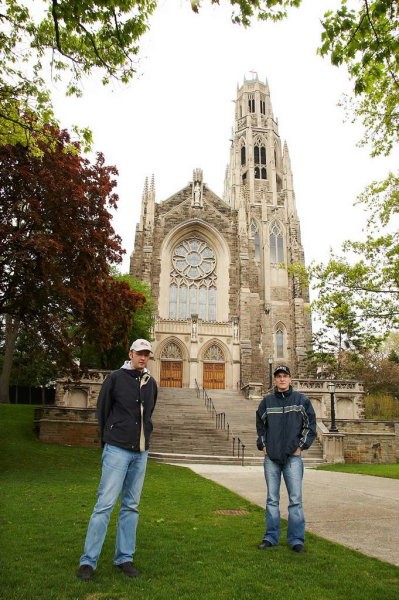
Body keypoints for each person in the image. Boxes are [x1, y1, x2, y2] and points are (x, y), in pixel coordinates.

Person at [77, 339, 158, 581]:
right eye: (139, 353)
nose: (143, 358)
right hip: (117, 449)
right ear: (131, 353)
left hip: (141, 451)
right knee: (104, 505)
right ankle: (88, 562)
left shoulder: (151, 383)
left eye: (146, 354)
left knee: (131, 507)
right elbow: (102, 410)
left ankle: (124, 558)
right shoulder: (115, 378)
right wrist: (110, 438)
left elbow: (149, 412)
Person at [255, 364, 316, 553]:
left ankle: (296, 539)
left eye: (285, 376)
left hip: (293, 458)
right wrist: (263, 445)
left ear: (290, 379)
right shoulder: (267, 402)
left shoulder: (301, 400)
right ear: (275, 380)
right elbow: (260, 425)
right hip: (272, 457)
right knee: (272, 499)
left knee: (295, 500)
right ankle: (271, 537)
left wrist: (301, 446)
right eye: (278, 376)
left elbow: (310, 425)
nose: (282, 379)